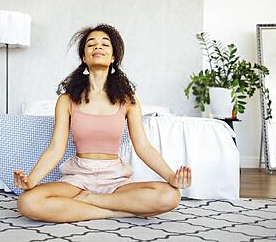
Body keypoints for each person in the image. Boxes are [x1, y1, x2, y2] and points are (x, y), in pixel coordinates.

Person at [14, 24, 191, 223]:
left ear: (113, 56)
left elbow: (143, 147)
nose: (98, 47)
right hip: (78, 178)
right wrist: (32, 181)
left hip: (115, 179)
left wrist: (171, 177)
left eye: (105, 44)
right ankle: (115, 211)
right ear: (84, 57)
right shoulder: (66, 100)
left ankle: (90, 201)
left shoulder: (128, 100)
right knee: (28, 202)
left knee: (170, 196)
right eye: (91, 44)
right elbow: (56, 148)